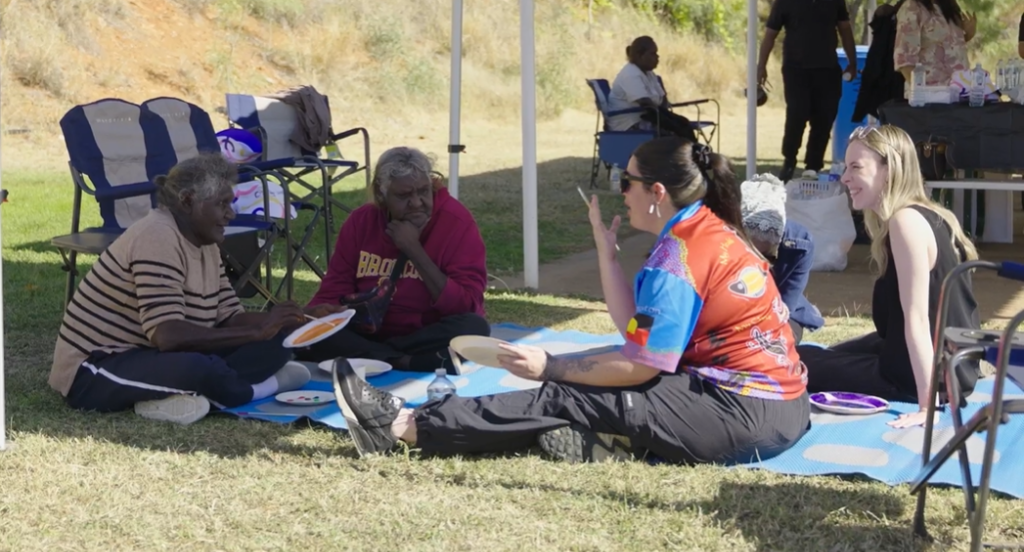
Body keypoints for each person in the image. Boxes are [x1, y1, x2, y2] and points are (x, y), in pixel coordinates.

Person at [331, 137, 811, 464]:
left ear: (657, 192)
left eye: (628, 182)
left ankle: (405, 427)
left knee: (569, 391)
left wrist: (550, 367)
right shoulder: (707, 230)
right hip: (777, 408)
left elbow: (640, 367)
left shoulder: (679, 256)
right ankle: (603, 442)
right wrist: (607, 256)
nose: (621, 193)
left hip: (744, 414)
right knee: (586, 383)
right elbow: (637, 343)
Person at [48, 154, 324, 425]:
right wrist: (256, 331)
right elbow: (168, 336)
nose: (230, 214)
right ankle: (258, 389)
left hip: (155, 356)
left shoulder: (206, 243)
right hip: (98, 367)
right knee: (201, 368)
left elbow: (229, 317)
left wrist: (300, 318)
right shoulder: (156, 235)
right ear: (188, 200)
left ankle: (181, 396)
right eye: (222, 204)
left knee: (279, 341)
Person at [796, 125, 982, 429]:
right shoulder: (930, 214)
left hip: (922, 377)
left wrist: (927, 408)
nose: (845, 178)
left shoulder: (904, 222)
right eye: (846, 167)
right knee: (819, 354)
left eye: (856, 167)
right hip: (954, 366)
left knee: (797, 364)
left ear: (889, 170)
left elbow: (918, 320)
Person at [296, 147, 489, 375]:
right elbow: (335, 287)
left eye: (423, 191)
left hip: (426, 331)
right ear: (381, 194)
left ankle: (378, 357)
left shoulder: (456, 222)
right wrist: (319, 315)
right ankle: (403, 361)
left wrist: (414, 250)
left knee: (474, 328)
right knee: (317, 333)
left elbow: (466, 305)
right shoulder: (360, 222)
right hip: (368, 329)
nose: (417, 203)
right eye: (404, 196)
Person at [758, 0, 859, 182]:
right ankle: (789, 160)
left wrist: (852, 62)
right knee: (797, 113)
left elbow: (845, 30)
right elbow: (770, 34)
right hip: (796, 69)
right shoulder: (784, 3)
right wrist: (761, 66)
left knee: (824, 117)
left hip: (827, 68)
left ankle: (813, 165)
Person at [740, 174, 824, 343]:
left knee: (780, 343)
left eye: (767, 250)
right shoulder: (721, 238)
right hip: (734, 310)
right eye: (752, 247)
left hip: (778, 311)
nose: (760, 257)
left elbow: (786, 303)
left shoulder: (800, 245)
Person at [605, 36, 697, 142]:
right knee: (675, 134)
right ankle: (687, 156)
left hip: (647, 116)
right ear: (640, 56)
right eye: (653, 54)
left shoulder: (649, 73)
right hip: (629, 124)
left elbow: (662, 99)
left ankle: (695, 155)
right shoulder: (630, 74)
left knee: (683, 124)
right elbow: (645, 104)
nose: (657, 57)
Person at [893, 0, 975, 87]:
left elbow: (948, 46)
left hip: (961, 90)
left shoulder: (949, 7)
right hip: (931, 93)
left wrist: (968, 35)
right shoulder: (912, 7)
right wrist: (919, 91)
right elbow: (904, 57)